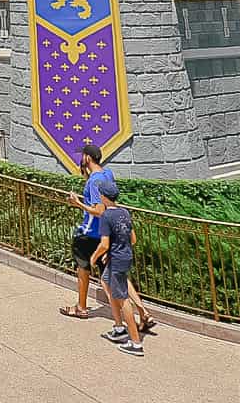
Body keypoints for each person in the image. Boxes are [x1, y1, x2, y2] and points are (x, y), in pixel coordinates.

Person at [91, 178, 144, 356]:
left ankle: (135, 342)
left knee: (123, 299)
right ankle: (119, 327)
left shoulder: (106, 216)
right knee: (105, 281)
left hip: (118, 260)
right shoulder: (124, 212)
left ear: (103, 197)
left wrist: (95, 256)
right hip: (123, 256)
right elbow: (133, 239)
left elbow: (104, 244)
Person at [63, 144, 114, 320]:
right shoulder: (107, 174)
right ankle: (141, 311)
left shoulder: (94, 181)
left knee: (83, 269)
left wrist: (77, 203)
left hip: (89, 233)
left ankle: (81, 307)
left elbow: (98, 210)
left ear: (88, 158)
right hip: (106, 232)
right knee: (113, 274)